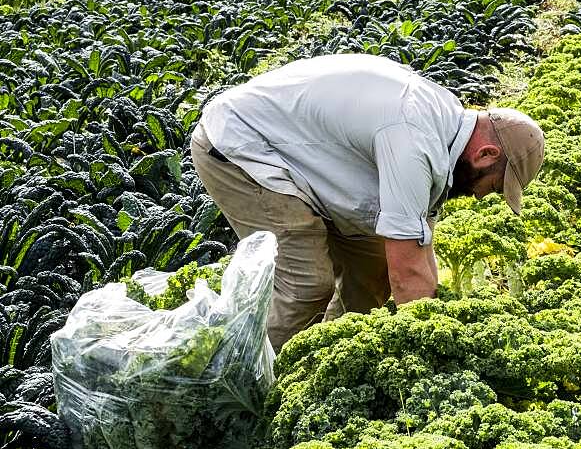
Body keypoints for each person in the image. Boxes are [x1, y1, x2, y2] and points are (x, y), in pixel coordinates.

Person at [190, 53, 545, 350]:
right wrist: (432, 354)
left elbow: (417, 247)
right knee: (306, 284)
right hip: (244, 146)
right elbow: (408, 272)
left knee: (373, 270)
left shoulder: (445, 127)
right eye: (495, 185)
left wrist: (434, 306)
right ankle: (240, 385)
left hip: (303, 160)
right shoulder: (415, 140)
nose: (483, 195)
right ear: (486, 154)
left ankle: (329, 358)